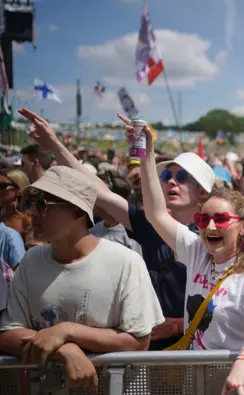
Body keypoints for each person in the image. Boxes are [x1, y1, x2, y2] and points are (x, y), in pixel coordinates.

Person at [18, 108, 215, 350]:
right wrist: (55, 145)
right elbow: (97, 191)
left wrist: (176, 325)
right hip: (150, 349)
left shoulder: (214, 238)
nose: (172, 181)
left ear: (203, 191)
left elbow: (226, 306)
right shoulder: (150, 226)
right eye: (166, 175)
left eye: (183, 176)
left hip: (199, 350)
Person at [127, 121, 244, 395]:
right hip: (196, 389)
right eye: (202, 219)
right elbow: (156, 213)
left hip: (243, 391)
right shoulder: (196, 250)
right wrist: (146, 156)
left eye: (220, 220)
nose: (209, 226)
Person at [0, 167, 163, 393]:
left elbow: (138, 341)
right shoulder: (31, 261)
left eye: (42, 205)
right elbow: (8, 333)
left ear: (77, 211)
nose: (32, 213)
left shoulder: (125, 262)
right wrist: (65, 349)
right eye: (29, 204)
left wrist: (68, 331)